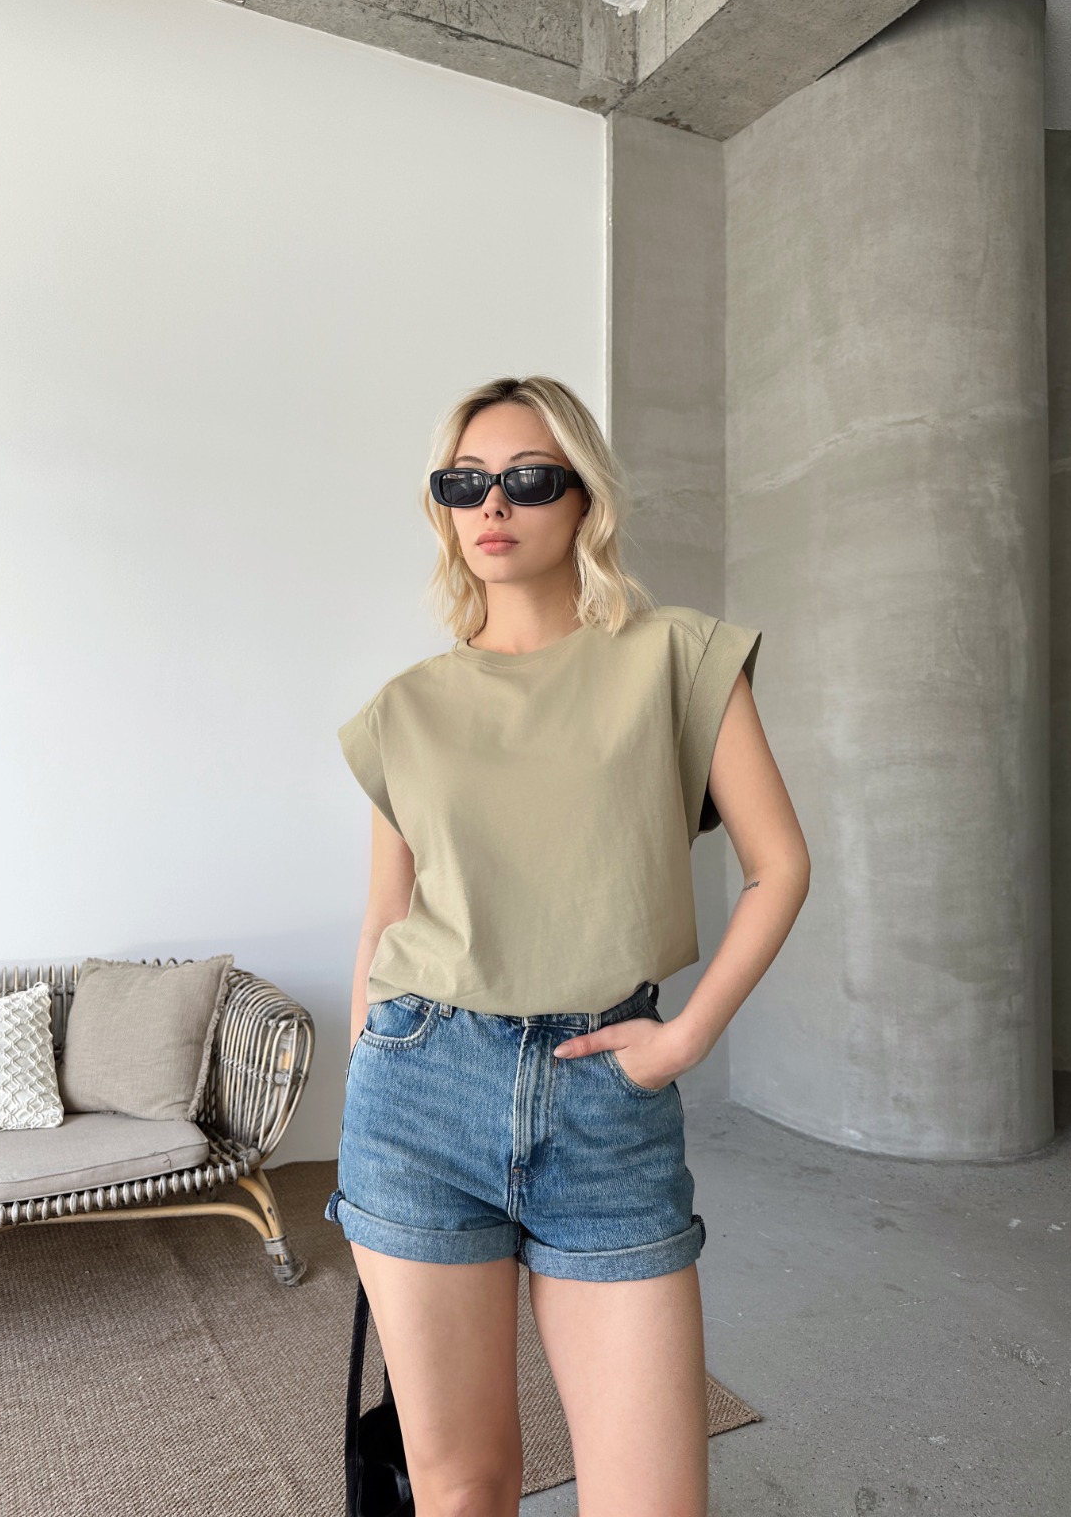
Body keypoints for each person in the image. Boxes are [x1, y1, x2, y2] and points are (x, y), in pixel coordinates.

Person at [325, 374, 810, 1517]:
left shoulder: (677, 655)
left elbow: (780, 864)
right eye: (463, 483)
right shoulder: (405, 708)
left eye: (528, 478)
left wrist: (683, 1038)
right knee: (462, 1487)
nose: (493, 504)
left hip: (606, 1094)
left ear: (584, 495)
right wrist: (370, 1075)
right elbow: (386, 917)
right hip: (419, 1087)